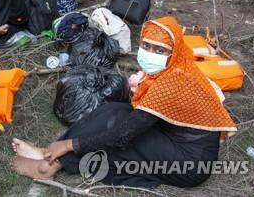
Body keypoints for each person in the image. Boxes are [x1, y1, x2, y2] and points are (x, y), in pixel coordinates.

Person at [12, 16, 237, 188]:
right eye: (147, 46)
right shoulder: (176, 69)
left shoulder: (171, 83)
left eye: (159, 50)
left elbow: (123, 134)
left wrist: (70, 145)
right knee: (113, 109)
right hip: (175, 139)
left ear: (174, 52)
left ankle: (52, 164)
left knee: (120, 139)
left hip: (190, 164)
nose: (150, 53)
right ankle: (49, 152)